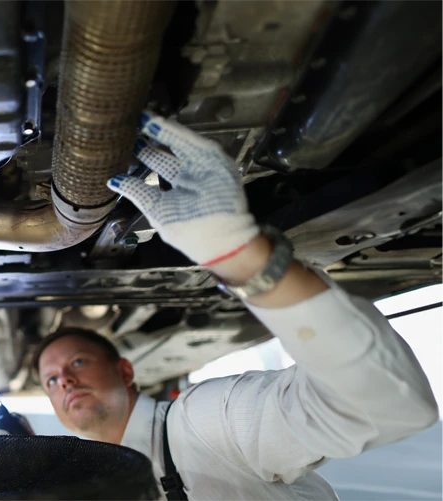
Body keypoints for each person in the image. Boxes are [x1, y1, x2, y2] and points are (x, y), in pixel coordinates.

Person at [33, 112, 439, 500]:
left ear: (125, 370)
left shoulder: (203, 425)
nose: (64, 381)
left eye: (78, 363)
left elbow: (385, 406)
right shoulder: (88, 486)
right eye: (51, 380)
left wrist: (240, 256)